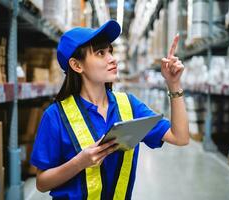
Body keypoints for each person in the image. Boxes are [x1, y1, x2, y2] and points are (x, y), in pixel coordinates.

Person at [30, 19, 189, 200]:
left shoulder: (128, 105)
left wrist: (173, 84)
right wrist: (79, 163)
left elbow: (180, 137)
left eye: (110, 51)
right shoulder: (55, 116)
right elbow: (42, 183)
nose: (112, 58)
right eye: (100, 53)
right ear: (76, 65)